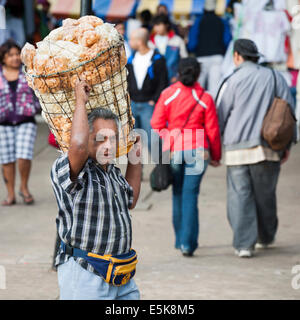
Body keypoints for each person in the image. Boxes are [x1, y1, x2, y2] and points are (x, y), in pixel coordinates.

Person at [51, 80, 142, 300]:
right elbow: (79, 145)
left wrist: (135, 156)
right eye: (100, 139)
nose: (108, 145)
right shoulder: (70, 170)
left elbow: (131, 198)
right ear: (87, 137)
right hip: (85, 272)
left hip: (120, 273)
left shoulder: (111, 171)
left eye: (113, 138)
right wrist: (80, 102)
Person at [217, 39, 296, 258]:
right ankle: (266, 237)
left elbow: (220, 116)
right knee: (265, 196)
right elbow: (289, 111)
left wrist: (216, 147)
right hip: (268, 148)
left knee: (239, 196)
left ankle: (244, 245)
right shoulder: (274, 77)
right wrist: (288, 144)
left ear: (237, 56)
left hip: (236, 150)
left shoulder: (231, 80)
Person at [151, 57, 221, 257]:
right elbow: (213, 131)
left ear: (178, 73)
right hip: (199, 151)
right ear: (198, 74)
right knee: (191, 195)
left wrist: (169, 140)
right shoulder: (205, 98)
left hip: (175, 152)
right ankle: (188, 244)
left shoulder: (167, 94)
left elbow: (156, 124)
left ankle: (180, 240)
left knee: (178, 194)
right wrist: (216, 155)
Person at [0, 39, 40, 206]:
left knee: (24, 155)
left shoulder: (28, 72)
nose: (15, 58)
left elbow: (39, 92)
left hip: (26, 120)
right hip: (3, 123)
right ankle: (10, 194)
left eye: (17, 54)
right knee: (7, 159)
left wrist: (34, 107)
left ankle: (24, 188)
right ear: (3, 58)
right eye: (10, 55)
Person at [127, 28, 168, 151]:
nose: (129, 42)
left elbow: (163, 82)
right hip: (133, 103)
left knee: (152, 140)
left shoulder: (157, 59)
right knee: (134, 142)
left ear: (139, 41)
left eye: (132, 39)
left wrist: (154, 100)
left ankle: (161, 169)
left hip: (148, 104)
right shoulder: (131, 59)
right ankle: (137, 170)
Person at [187, 0, 232, 98]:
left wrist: (194, 50)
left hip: (201, 57)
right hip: (217, 57)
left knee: (198, 88)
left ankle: (197, 111)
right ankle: (212, 111)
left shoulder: (198, 21)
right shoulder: (222, 21)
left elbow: (192, 42)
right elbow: (227, 40)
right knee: (214, 89)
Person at [150, 14, 188, 83]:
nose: (156, 28)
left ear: (166, 25)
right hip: (155, 80)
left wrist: (178, 76)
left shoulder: (177, 40)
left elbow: (184, 60)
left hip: (173, 79)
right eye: (155, 25)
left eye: (159, 25)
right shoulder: (150, 42)